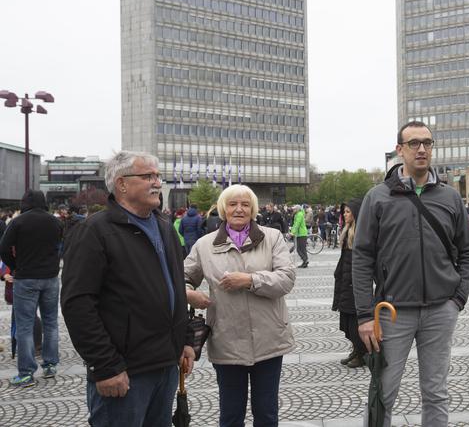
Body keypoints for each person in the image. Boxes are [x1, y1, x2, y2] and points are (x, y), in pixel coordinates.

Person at [353, 120, 469, 426]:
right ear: (400, 150)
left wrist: (457, 299)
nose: (421, 149)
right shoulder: (378, 197)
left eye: (427, 143)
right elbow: (362, 257)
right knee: (382, 393)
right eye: (413, 143)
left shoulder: (449, 198)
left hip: (440, 310)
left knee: (436, 392)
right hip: (392, 313)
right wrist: (364, 315)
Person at [61, 151, 195, 426]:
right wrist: (106, 366)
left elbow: (175, 288)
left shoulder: (165, 226)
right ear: (121, 184)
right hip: (124, 373)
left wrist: (185, 339)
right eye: (148, 176)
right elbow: (78, 304)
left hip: (165, 366)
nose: (157, 182)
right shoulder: (94, 231)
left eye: (158, 176)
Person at [184, 184, 295, 427]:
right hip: (226, 339)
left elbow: (286, 279)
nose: (239, 209)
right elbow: (181, 278)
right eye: (233, 204)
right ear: (223, 209)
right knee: (231, 414)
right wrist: (189, 293)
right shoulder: (205, 245)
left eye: (245, 204)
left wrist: (250, 280)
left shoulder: (272, 237)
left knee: (266, 413)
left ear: (253, 209)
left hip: (269, 339)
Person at [0, 190, 63, 388]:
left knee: (25, 326)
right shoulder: (55, 222)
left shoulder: (18, 222)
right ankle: (50, 365)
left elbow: (3, 247)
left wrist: (15, 265)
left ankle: (26, 373)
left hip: (26, 277)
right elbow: (61, 246)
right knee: (51, 322)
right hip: (51, 278)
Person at [332, 198, 366, 368]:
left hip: (354, 283)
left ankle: (362, 354)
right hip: (345, 281)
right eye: (343, 212)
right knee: (346, 320)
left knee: (355, 321)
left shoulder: (360, 233)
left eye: (348, 211)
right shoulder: (346, 231)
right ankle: (355, 349)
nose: (345, 214)